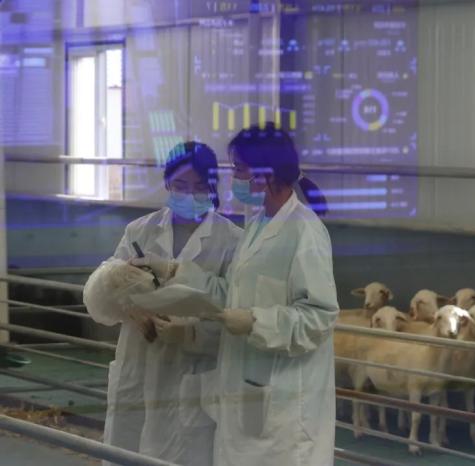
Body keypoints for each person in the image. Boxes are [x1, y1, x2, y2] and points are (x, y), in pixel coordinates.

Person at [132, 123, 339, 466]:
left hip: (284, 404)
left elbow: (319, 316)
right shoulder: (257, 225)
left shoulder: (305, 232)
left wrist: (257, 322)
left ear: (264, 172)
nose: (234, 178)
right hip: (246, 392)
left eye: (239, 169)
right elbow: (231, 294)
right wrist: (175, 272)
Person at [84, 141, 242, 466]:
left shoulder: (231, 241)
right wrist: (130, 308)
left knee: (184, 454)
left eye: (199, 186)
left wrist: (190, 333)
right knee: (126, 450)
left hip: (192, 372)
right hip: (138, 363)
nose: (189, 194)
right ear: (167, 183)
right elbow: (105, 294)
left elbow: (233, 311)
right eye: (180, 185)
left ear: (213, 186)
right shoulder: (140, 231)